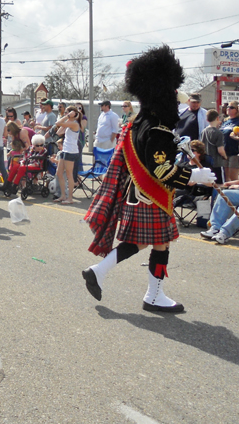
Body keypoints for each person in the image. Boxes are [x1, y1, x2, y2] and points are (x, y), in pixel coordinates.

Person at [82, 45, 215, 313]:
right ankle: (149, 293)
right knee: (154, 242)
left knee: (153, 241)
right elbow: (161, 169)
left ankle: (113, 277)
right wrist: (194, 175)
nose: (178, 109)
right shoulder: (158, 128)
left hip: (140, 192)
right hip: (151, 193)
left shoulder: (138, 122)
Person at [52, 106, 81, 204]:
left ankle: (70, 198)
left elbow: (57, 123)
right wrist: (66, 119)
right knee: (59, 173)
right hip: (65, 150)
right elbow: (58, 131)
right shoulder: (68, 124)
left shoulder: (74, 124)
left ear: (72, 113)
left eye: (67, 113)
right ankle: (63, 195)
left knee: (69, 174)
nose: (65, 114)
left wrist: (68, 116)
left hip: (71, 151)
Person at [200, 110, 227, 186]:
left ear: (207, 119)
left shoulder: (204, 131)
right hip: (217, 162)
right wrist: (225, 157)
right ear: (217, 118)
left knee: (209, 183)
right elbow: (220, 150)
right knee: (220, 184)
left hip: (207, 161)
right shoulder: (218, 133)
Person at [220, 101, 239, 182]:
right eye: (228, 107)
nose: (228, 109)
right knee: (226, 178)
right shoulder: (225, 121)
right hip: (224, 151)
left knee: (233, 177)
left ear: (237, 109)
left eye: (231, 107)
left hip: (234, 151)